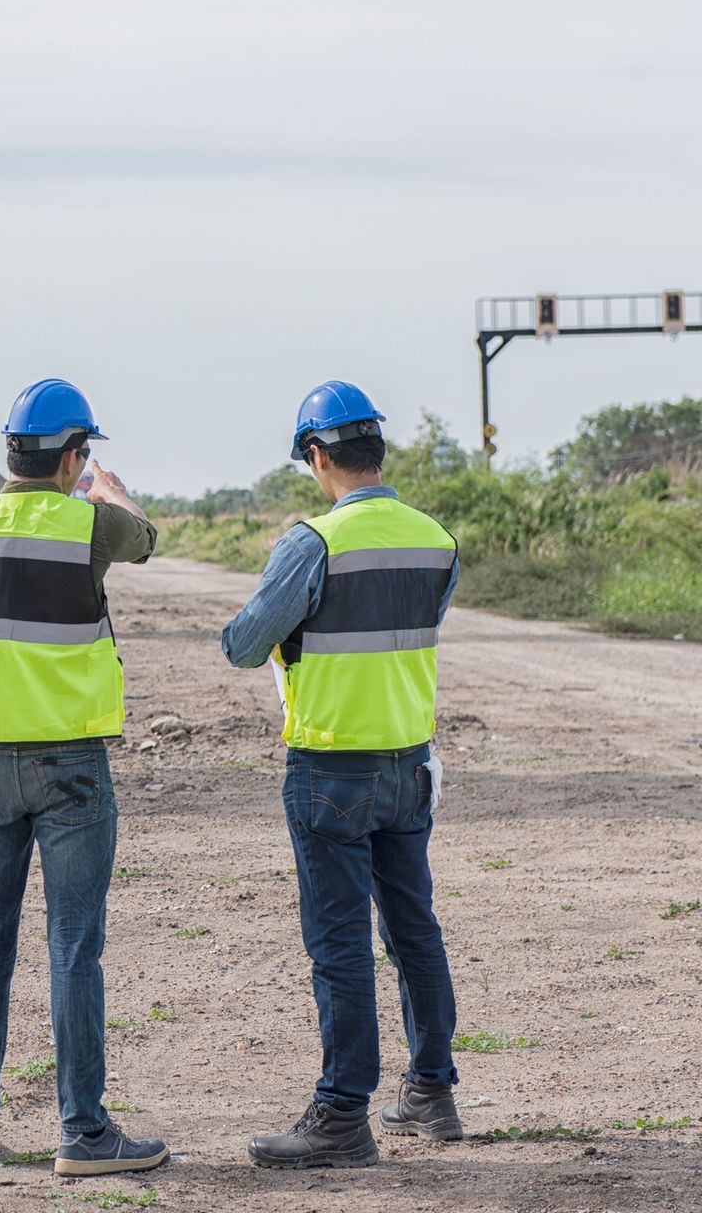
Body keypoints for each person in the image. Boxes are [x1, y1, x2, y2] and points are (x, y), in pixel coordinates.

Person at [0, 378, 169, 1177]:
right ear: (71, 456)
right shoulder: (89, 525)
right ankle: (83, 1133)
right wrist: (110, 489)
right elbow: (146, 538)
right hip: (72, 768)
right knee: (72, 948)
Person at [221, 380, 465, 1169]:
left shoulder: (312, 542)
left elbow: (243, 644)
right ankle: (431, 1092)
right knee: (415, 933)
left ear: (317, 456)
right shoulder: (435, 538)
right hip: (409, 767)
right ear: (379, 450)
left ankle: (341, 1115)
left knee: (340, 946)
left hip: (331, 769)